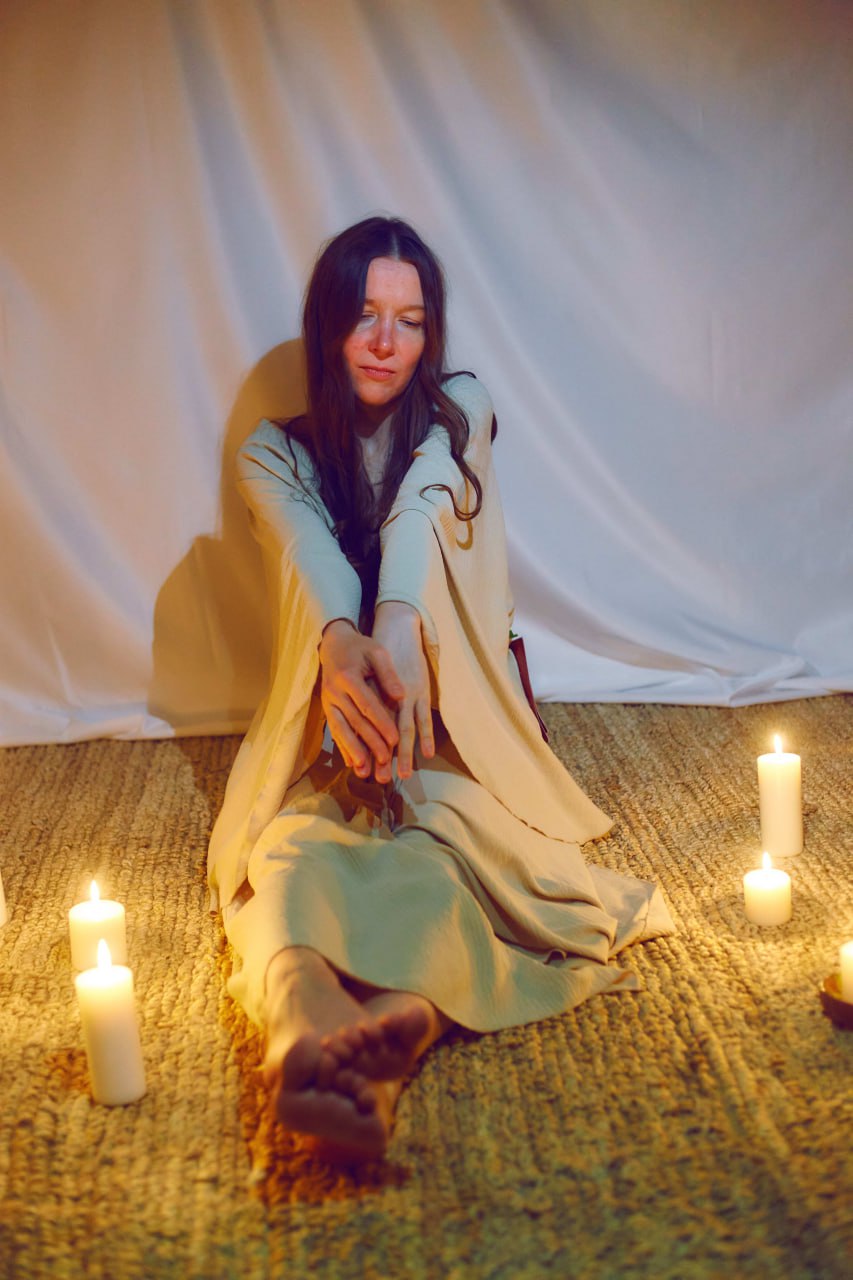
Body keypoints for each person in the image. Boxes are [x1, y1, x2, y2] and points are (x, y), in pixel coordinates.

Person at [208, 215, 674, 1160]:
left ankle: (390, 1029)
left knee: (446, 854)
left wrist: (397, 619)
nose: (387, 342)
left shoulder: (461, 408)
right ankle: (307, 1014)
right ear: (327, 324)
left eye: (410, 321)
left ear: (431, 333)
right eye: (365, 316)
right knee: (295, 851)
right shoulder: (271, 452)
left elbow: (422, 509)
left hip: (448, 726)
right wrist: (341, 641)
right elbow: (305, 548)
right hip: (333, 720)